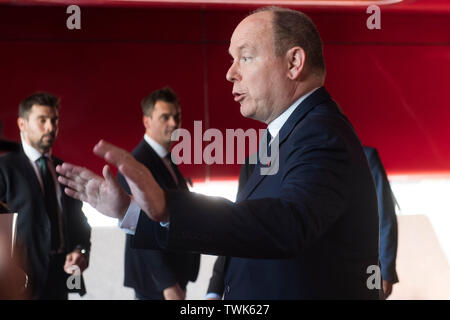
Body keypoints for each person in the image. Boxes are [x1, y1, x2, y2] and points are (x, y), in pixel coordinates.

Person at [56, 7, 380, 299]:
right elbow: (247, 227)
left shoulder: (321, 134)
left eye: (246, 57)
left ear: (293, 63)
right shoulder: (275, 140)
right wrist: (130, 210)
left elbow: (287, 225)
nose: (230, 73)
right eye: (231, 59)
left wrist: (167, 206)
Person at [206, 145, 399, 299]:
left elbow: (385, 218)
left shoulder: (363, 156)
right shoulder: (256, 163)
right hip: (269, 281)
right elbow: (239, 224)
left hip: (346, 274)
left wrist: (386, 271)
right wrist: (215, 286)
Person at [0, 92, 91, 300]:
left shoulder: (64, 169)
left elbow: (79, 222)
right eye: (42, 120)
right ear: (22, 124)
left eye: (54, 120)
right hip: (20, 282)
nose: (50, 127)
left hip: (61, 278)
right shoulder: (4, 169)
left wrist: (80, 251)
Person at [118, 87, 200, 300]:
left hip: (174, 275)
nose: (174, 123)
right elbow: (140, 228)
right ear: (147, 122)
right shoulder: (136, 164)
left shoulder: (167, 160)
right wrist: (167, 284)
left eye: (177, 116)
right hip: (157, 284)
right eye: (165, 117)